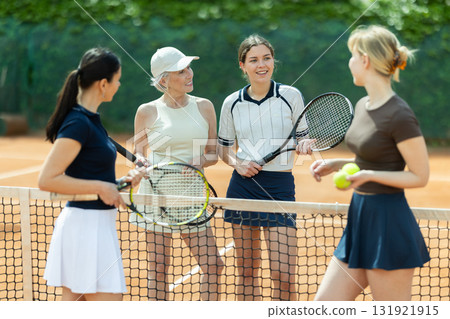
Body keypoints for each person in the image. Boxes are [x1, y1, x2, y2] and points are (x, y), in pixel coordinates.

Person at [310, 25, 430, 301]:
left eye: (352, 56)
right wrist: (340, 163)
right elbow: (377, 156)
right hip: (360, 218)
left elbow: (419, 176)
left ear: (364, 60)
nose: (349, 62)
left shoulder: (399, 114)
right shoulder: (364, 104)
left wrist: (367, 175)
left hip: (388, 225)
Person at [38, 48, 145, 301]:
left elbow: (95, 181)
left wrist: (122, 183)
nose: (119, 85)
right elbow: (47, 179)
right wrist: (101, 186)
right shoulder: (78, 122)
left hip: (94, 227)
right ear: (103, 84)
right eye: (117, 79)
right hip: (85, 229)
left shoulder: (92, 120)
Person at [217, 34, 315, 301]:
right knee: (247, 273)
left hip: (280, 188)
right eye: (254, 60)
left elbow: (302, 136)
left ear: (273, 61)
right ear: (242, 65)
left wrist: (305, 144)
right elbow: (223, 148)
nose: (262, 65)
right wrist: (238, 164)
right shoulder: (232, 103)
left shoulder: (290, 95)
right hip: (243, 189)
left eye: (266, 58)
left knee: (283, 275)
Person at [130, 47, 224, 300]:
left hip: (192, 196)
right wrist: (141, 163)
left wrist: (200, 161)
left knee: (213, 266)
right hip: (155, 197)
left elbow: (213, 153)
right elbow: (139, 153)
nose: (189, 74)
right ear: (164, 80)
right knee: (159, 269)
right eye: (181, 71)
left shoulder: (204, 107)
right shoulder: (147, 111)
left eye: (188, 69)